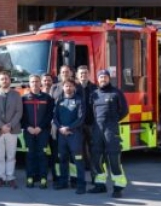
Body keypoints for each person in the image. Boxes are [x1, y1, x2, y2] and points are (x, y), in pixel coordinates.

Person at [89, 69, 130, 198]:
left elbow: (124, 110)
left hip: (111, 129)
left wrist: (113, 121)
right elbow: (91, 112)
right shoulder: (94, 94)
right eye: (101, 77)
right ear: (97, 79)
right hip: (97, 129)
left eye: (105, 77)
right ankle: (100, 185)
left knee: (113, 157)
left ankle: (118, 187)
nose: (103, 79)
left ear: (109, 78)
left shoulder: (116, 92)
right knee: (96, 157)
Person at [0, 70, 23, 188]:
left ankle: (10, 177)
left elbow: (19, 112)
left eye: (6, 78)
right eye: (2, 79)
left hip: (11, 130)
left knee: (11, 155)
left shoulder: (17, 94)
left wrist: (9, 126)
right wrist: (1, 126)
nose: (4, 81)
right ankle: (1, 177)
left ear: (10, 80)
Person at [21, 74, 54, 189]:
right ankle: (30, 177)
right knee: (30, 155)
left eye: (36, 81)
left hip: (43, 131)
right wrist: (28, 127)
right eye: (32, 82)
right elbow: (22, 116)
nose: (35, 84)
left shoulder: (47, 98)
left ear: (40, 83)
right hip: (28, 131)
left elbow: (49, 115)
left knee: (42, 155)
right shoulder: (24, 99)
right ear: (29, 84)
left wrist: (40, 127)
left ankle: (43, 178)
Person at [53, 79, 86, 193]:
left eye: (70, 86)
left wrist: (69, 128)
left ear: (74, 88)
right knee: (62, 159)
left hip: (74, 135)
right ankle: (63, 182)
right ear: (63, 87)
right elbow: (55, 117)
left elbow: (81, 118)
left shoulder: (79, 100)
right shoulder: (59, 101)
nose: (68, 88)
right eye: (66, 86)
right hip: (62, 135)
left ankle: (81, 184)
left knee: (78, 160)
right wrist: (60, 128)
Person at [48, 65, 78, 184]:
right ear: (60, 73)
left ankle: (74, 178)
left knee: (73, 155)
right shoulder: (54, 87)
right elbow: (51, 105)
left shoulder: (76, 86)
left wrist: (72, 125)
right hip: (57, 125)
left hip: (72, 125)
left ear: (71, 73)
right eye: (62, 71)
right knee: (58, 154)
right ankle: (59, 177)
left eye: (67, 71)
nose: (65, 73)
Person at [76, 65, 98, 186]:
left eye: (85, 73)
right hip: (78, 125)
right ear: (77, 76)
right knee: (79, 153)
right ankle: (81, 179)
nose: (83, 75)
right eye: (81, 74)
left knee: (93, 152)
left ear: (89, 74)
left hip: (91, 125)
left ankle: (95, 178)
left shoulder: (95, 88)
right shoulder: (74, 88)